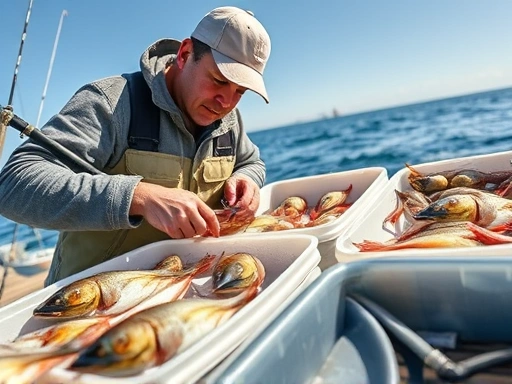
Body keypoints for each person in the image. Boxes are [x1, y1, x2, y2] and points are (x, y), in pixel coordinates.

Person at [0, 6, 271, 285]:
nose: (226, 102)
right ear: (185, 54)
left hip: (185, 289)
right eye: (218, 81)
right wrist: (138, 197)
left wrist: (246, 179)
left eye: (240, 91)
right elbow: (13, 185)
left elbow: (251, 162)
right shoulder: (111, 103)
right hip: (89, 301)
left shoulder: (229, 120)